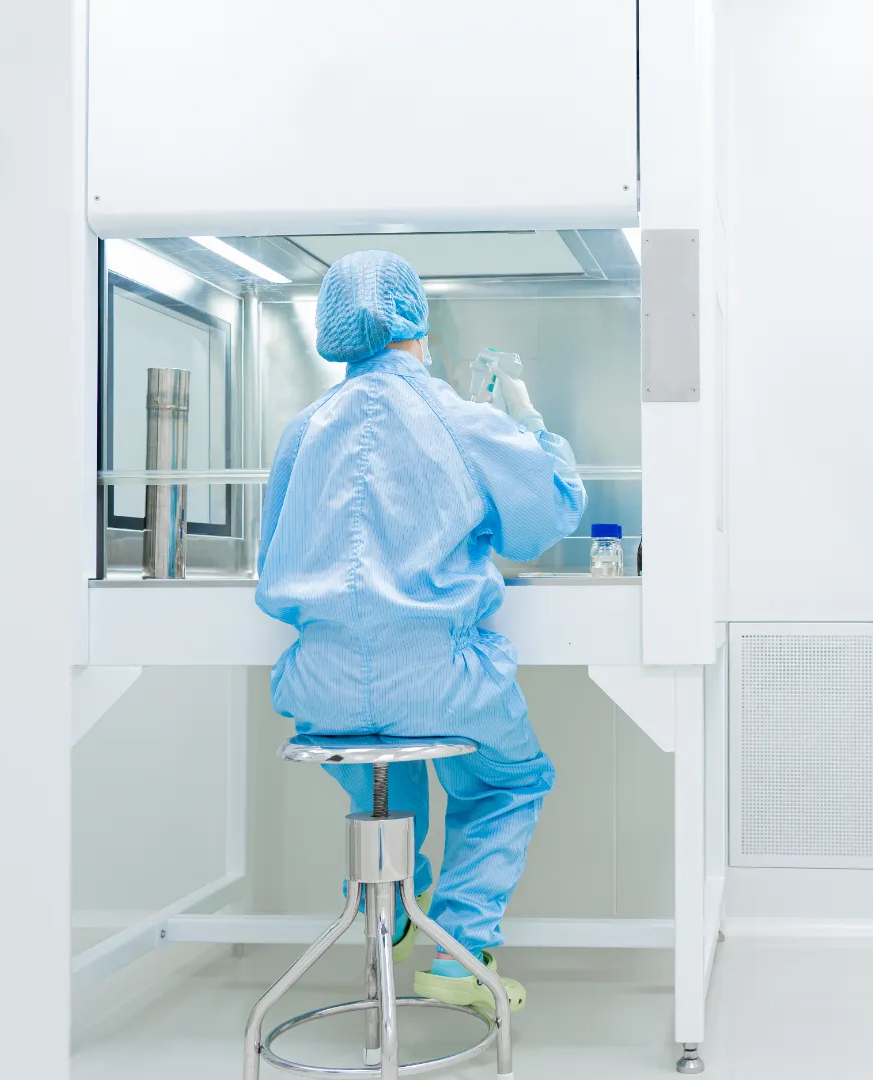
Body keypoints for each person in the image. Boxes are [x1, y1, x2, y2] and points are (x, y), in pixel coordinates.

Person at [256, 250, 584, 1013]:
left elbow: (273, 561)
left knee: (381, 778)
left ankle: (390, 906)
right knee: (506, 781)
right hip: (442, 681)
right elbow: (546, 516)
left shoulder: (303, 432)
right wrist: (529, 424)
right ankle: (460, 952)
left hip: (321, 689)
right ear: (416, 324)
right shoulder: (455, 417)